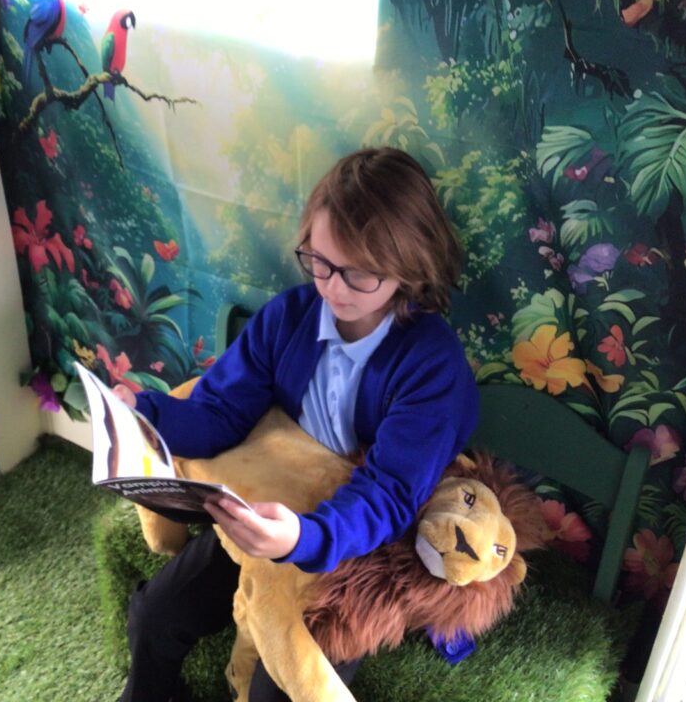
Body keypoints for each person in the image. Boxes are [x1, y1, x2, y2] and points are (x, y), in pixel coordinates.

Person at [113, 146, 479, 701]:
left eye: (358, 274)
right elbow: (220, 411)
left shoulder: (433, 366)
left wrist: (305, 538)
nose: (333, 288)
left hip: (358, 543)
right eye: (320, 262)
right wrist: (145, 414)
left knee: (278, 691)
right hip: (278, 510)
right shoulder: (290, 316)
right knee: (155, 615)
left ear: (410, 267)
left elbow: (389, 495)